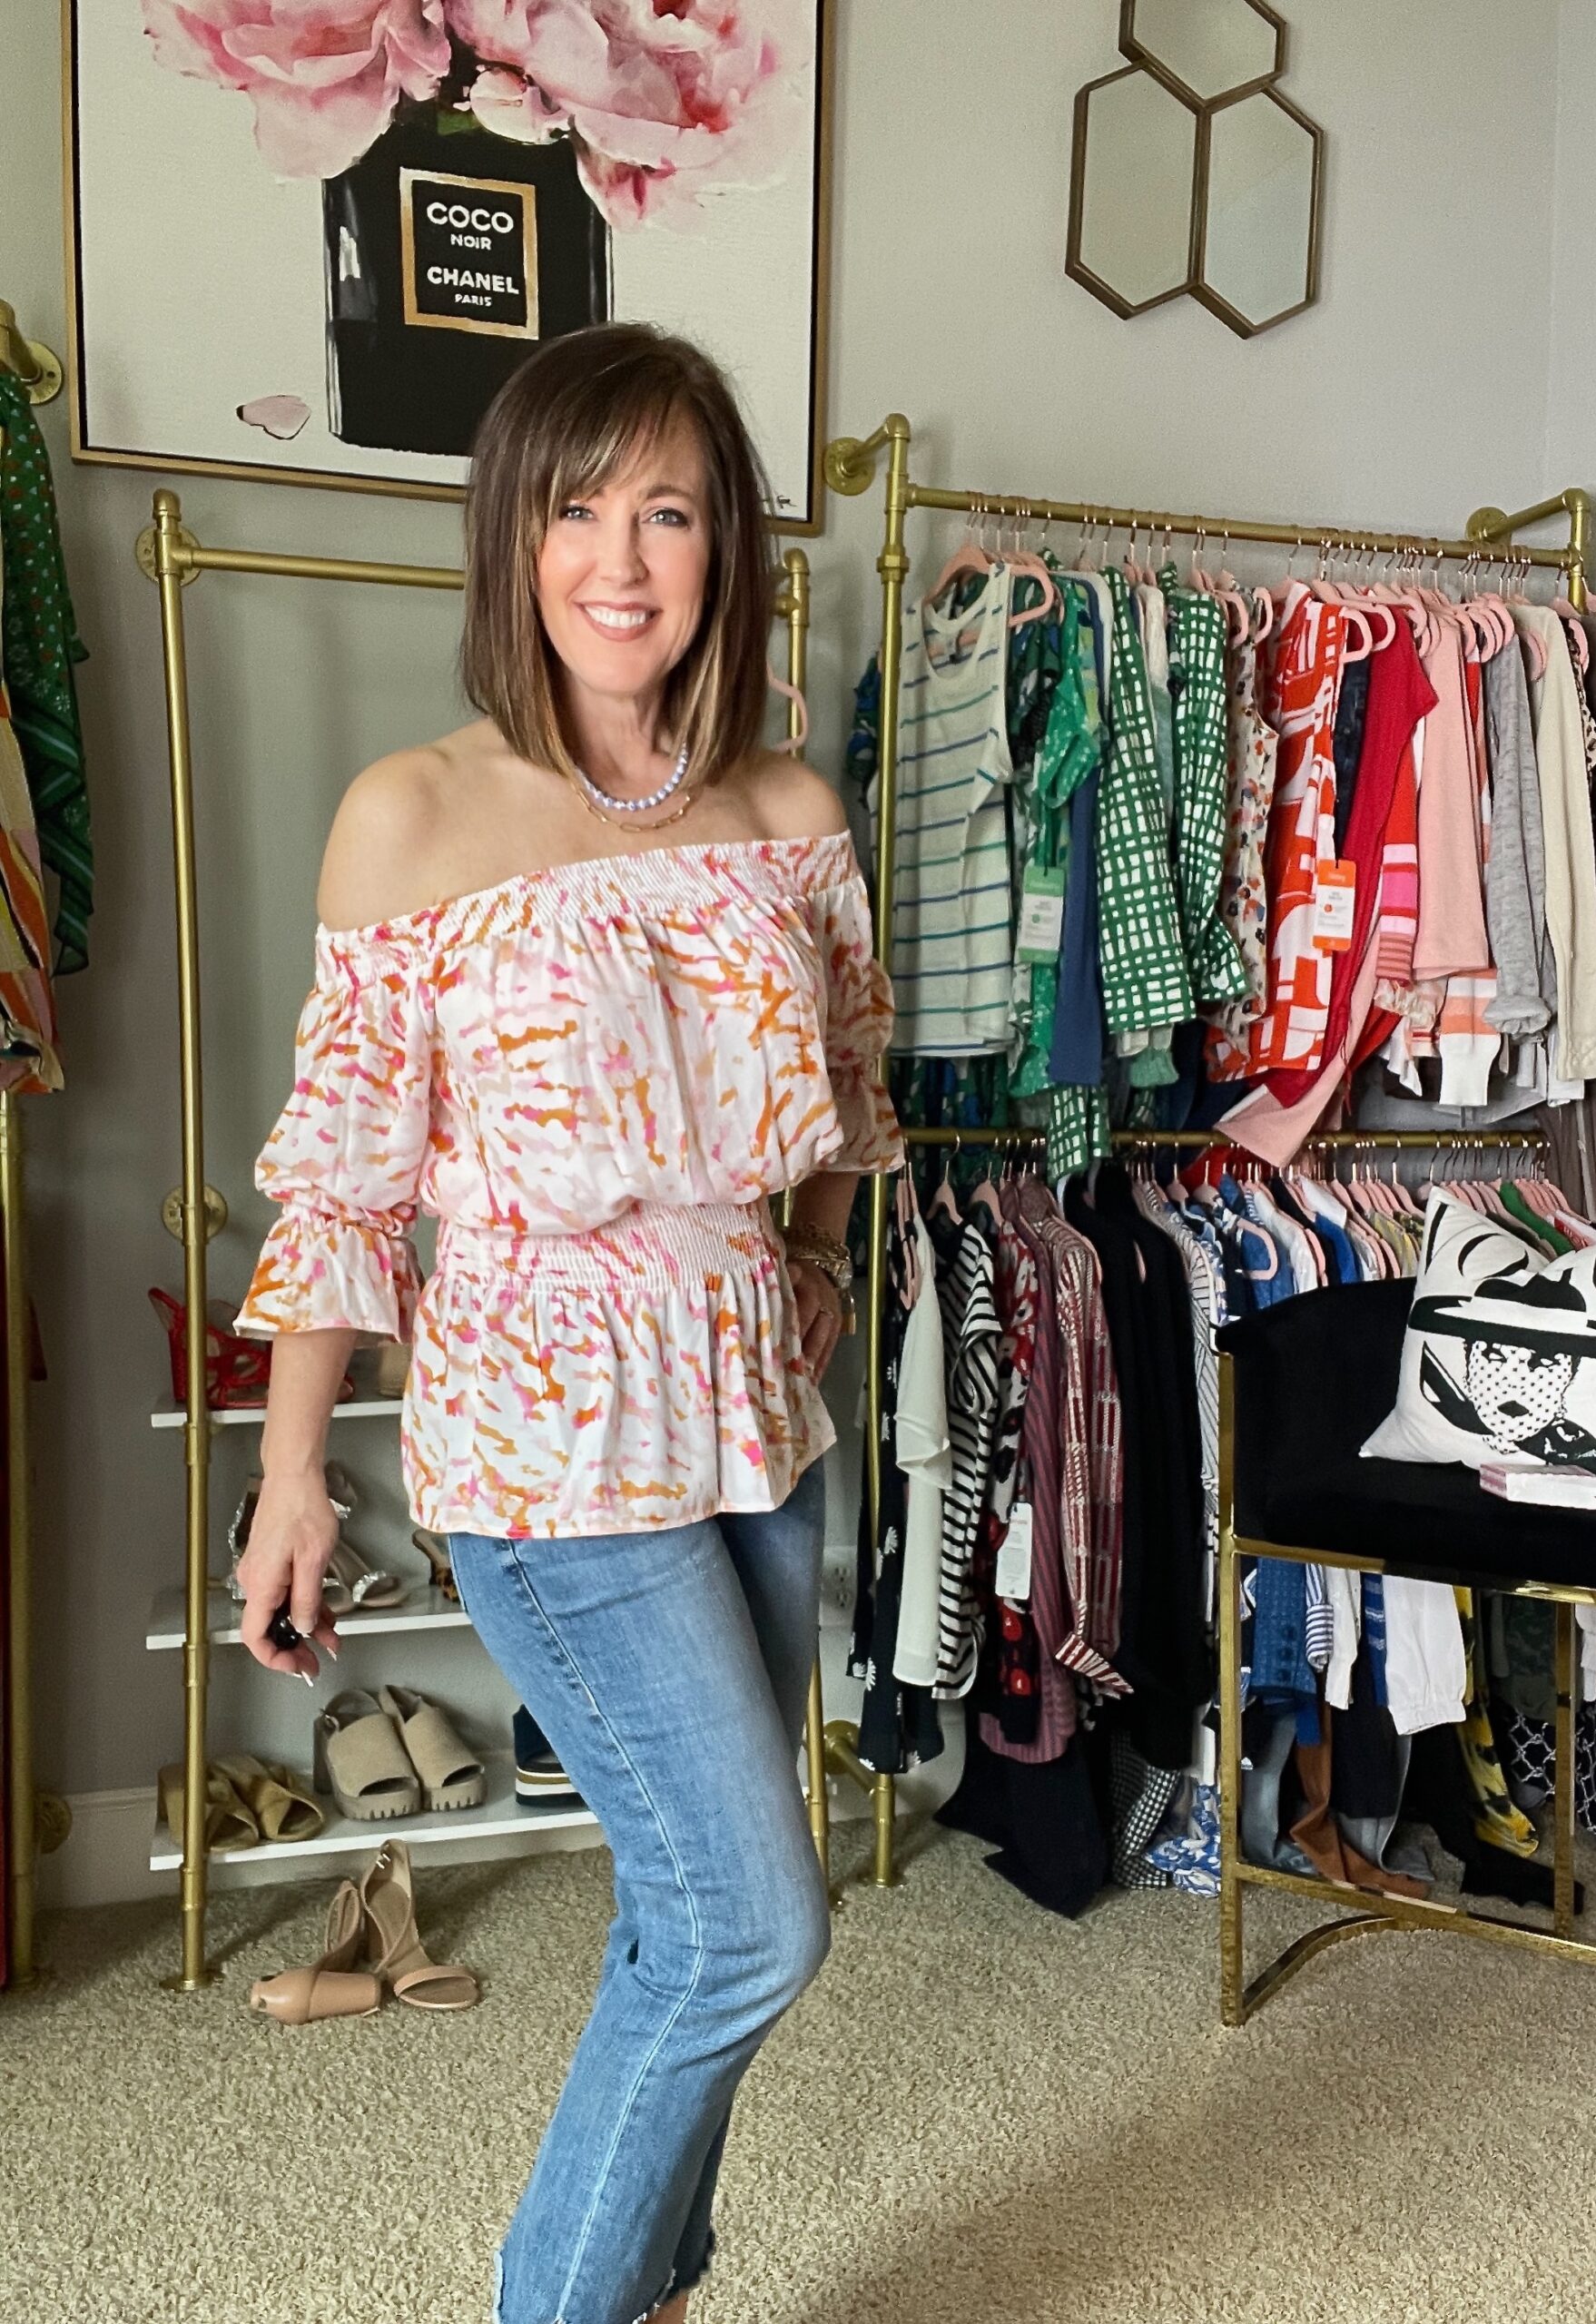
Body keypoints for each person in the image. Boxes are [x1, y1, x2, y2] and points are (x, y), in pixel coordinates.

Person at [232, 321, 903, 2324]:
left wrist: (799, 1276)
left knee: (687, 1903)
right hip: (544, 1446)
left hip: (751, 1428)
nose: (624, 558)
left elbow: (851, 1098)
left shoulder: (787, 803)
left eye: (671, 508)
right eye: (578, 506)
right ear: (511, 537)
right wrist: (288, 1478)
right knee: (757, 1927)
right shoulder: (414, 815)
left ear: (727, 548)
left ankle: (659, 2279)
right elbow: (343, 1176)